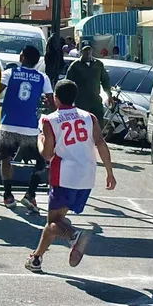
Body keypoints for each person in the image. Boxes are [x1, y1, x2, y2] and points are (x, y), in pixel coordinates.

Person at [25, 79, 116, 273]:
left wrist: (40, 140)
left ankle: (74, 235)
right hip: (87, 176)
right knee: (57, 221)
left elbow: (47, 153)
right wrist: (109, 172)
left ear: (55, 98)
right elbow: (100, 143)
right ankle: (36, 258)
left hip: (64, 175)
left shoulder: (50, 120)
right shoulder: (89, 117)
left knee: (54, 222)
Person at [0, 45, 53, 212]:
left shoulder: (10, 73)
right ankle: (30, 194)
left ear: (22, 58)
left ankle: (8, 195)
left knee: (6, 158)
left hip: (8, 123)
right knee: (41, 161)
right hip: (29, 126)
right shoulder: (42, 77)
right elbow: (51, 101)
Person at [65, 40, 112, 128]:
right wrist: (68, 100)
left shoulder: (98, 64)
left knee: (98, 125)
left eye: (89, 50)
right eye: (85, 50)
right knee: (82, 126)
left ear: (92, 50)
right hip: (81, 101)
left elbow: (105, 80)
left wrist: (109, 95)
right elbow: (68, 83)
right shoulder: (75, 66)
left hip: (95, 101)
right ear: (81, 51)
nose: (87, 52)